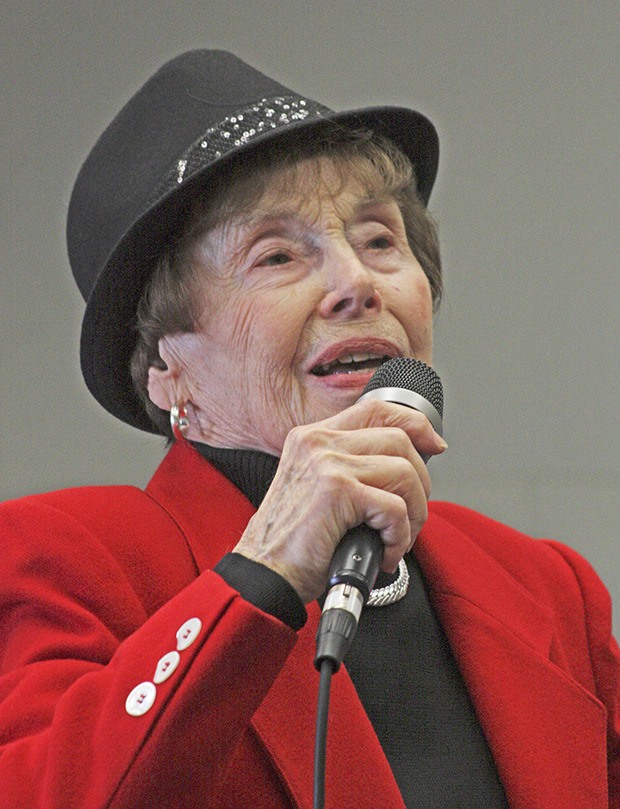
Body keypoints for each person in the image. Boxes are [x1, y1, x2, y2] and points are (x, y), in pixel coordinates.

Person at [0, 49, 617, 809]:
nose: (357, 283)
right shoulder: (67, 557)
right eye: (279, 255)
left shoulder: (545, 586)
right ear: (168, 369)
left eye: (381, 241)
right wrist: (264, 567)